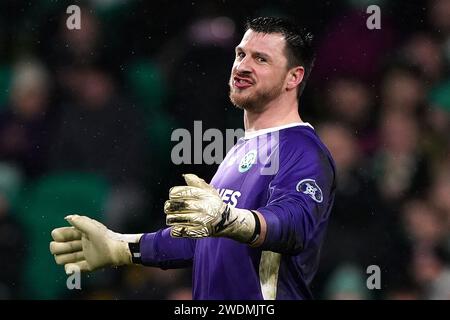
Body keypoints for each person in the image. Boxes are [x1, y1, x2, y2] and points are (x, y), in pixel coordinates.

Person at [49, 17, 336, 300]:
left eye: (261, 59)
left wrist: (230, 220)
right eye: (241, 54)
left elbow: (294, 223)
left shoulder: (302, 149)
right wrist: (121, 247)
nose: (243, 66)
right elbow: (202, 241)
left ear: (293, 77)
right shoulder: (239, 149)